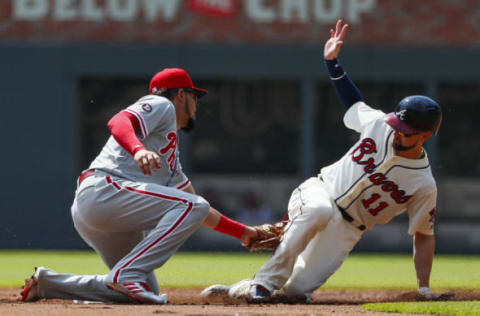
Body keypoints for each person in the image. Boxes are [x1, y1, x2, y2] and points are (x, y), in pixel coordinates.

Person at [202, 20, 442, 303]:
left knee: (296, 291)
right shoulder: (380, 124)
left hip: (349, 228)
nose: (398, 134)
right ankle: (265, 283)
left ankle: (241, 289)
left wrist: (423, 286)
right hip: (320, 191)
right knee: (318, 210)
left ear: (425, 135)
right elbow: (353, 102)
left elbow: (423, 235)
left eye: (407, 132)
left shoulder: (424, 184)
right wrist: (332, 62)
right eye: (397, 126)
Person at [19, 68, 265, 304]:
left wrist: (243, 233)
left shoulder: (170, 158)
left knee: (140, 290)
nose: (196, 103)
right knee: (192, 207)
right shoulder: (163, 105)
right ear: (181, 95)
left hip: (102, 211)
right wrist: (138, 150)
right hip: (104, 190)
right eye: (194, 96)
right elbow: (118, 121)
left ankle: (49, 283)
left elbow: (199, 211)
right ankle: (126, 274)